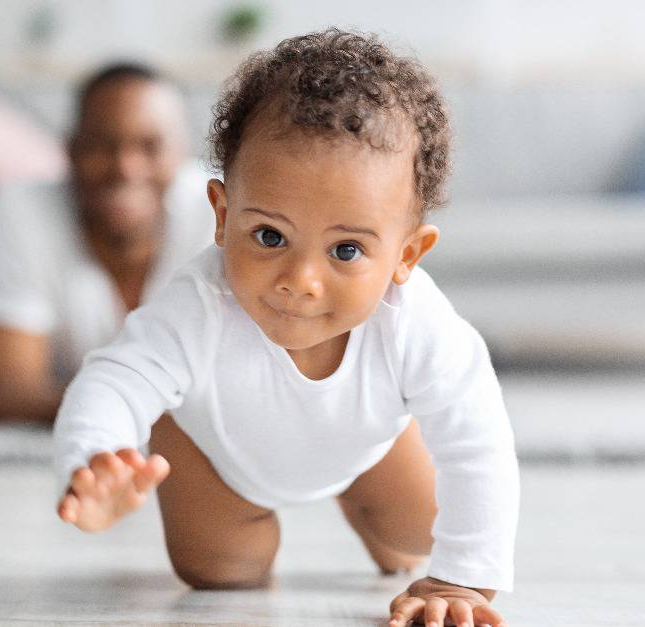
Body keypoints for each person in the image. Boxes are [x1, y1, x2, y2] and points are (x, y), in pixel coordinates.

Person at [52, 29, 518, 627]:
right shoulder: (199, 305)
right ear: (222, 215)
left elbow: (478, 442)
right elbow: (114, 380)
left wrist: (462, 581)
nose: (300, 280)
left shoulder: (415, 323)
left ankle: (365, 499)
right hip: (220, 458)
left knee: (418, 531)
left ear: (407, 254)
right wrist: (95, 459)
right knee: (222, 575)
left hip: (366, 447)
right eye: (270, 236)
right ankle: (237, 515)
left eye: (346, 250)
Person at [0, 63, 213, 423]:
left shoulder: (226, 213)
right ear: (69, 149)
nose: (126, 168)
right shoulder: (12, 215)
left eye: (150, 145)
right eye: (101, 145)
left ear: (184, 152)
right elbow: (9, 394)